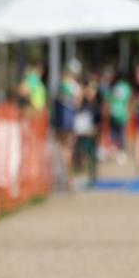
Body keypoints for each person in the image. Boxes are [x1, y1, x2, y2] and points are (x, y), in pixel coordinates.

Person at [52, 59, 82, 192]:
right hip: (67, 121)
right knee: (66, 149)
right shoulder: (73, 86)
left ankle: (65, 178)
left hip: (63, 121)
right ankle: (68, 179)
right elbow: (77, 103)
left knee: (63, 148)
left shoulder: (64, 84)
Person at [103, 68, 132, 165]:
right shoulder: (126, 87)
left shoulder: (113, 86)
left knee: (114, 135)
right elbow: (129, 101)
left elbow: (107, 99)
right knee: (121, 135)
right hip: (122, 114)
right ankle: (120, 153)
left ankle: (115, 152)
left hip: (114, 113)